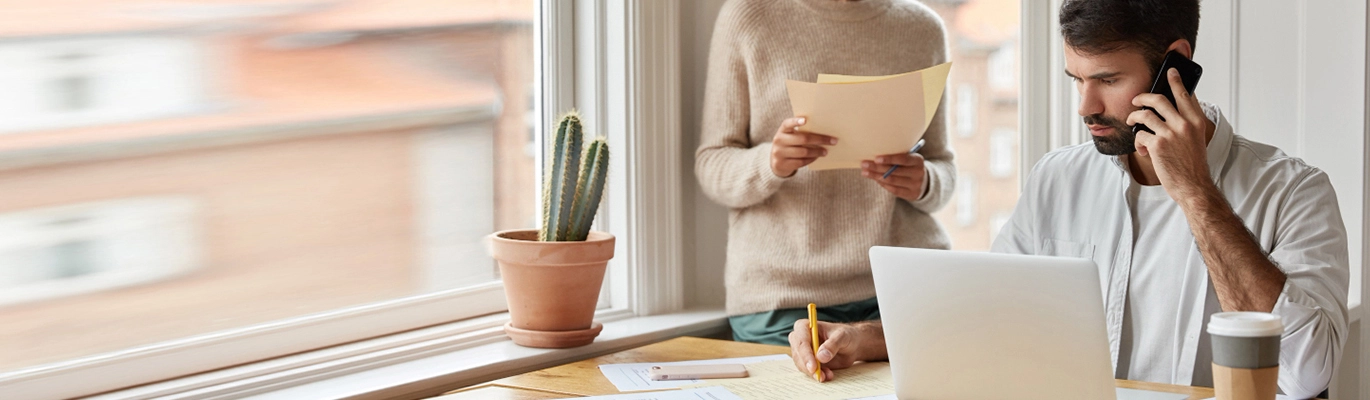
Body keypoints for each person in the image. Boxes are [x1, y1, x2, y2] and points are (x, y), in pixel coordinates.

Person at [787, 0, 1350, 397]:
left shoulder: (1294, 192)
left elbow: (1306, 374)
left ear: (1175, 64)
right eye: (1075, 79)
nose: (1085, 107)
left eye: (1107, 79)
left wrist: (1198, 195)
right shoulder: (1058, 179)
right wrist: (863, 339)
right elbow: (988, 317)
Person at [695, 0, 956, 345]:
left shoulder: (922, 28)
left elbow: (942, 165)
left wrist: (924, 182)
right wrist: (771, 163)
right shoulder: (750, 16)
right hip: (783, 297)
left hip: (904, 282)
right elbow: (712, 163)